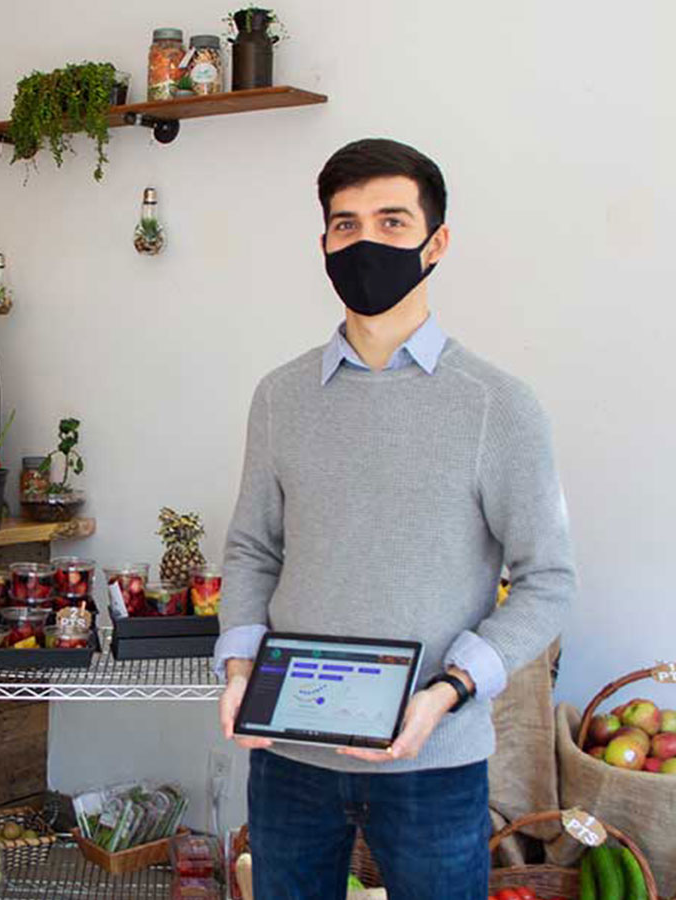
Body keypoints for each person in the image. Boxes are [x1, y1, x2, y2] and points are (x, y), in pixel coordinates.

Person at [215, 138, 576, 899]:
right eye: (345, 225)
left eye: (391, 222)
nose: (365, 243)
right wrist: (241, 666)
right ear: (323, 244)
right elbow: (252, 549)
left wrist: (449, 690)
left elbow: (547, 581)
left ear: (435, 243)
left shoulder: (498, 406)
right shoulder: (280, 397)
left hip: (433, 762)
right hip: (291, 755)